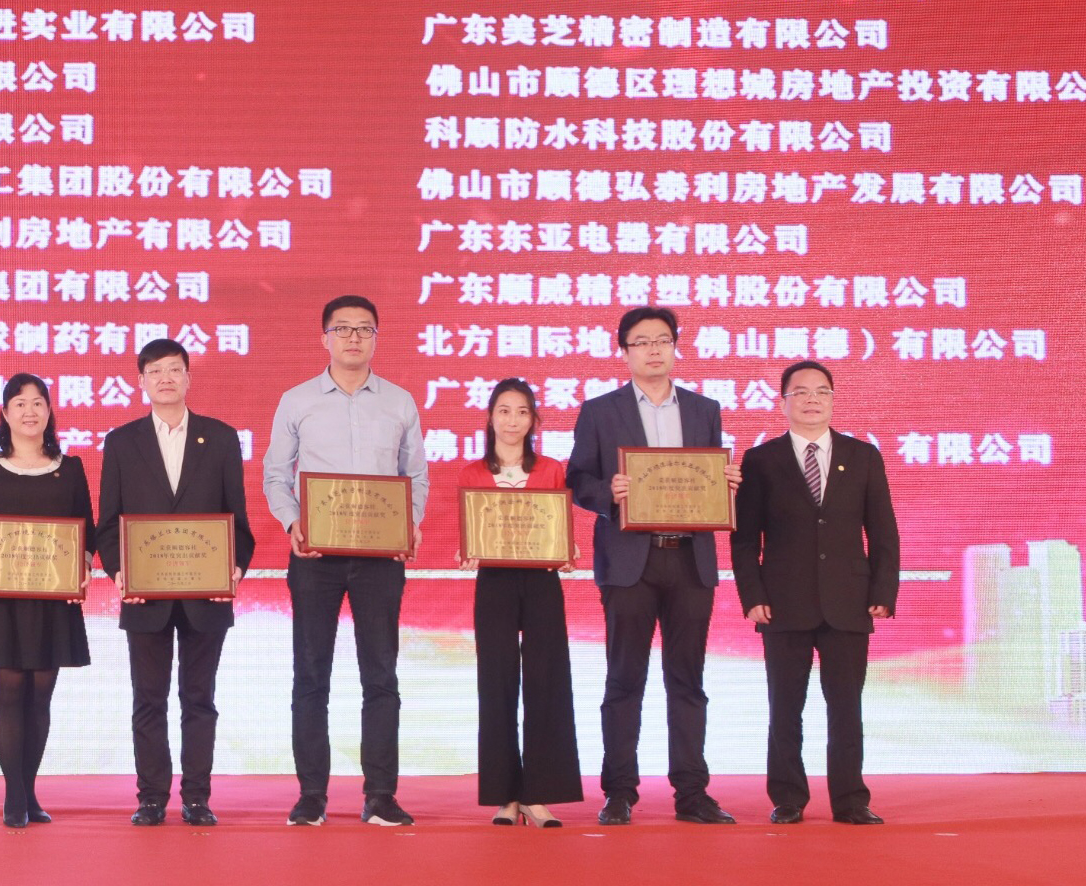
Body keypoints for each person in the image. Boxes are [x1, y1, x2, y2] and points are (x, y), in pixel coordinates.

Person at [565, 307, 741, 826]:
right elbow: (578, 480)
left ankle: (692, 793)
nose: (653, 349)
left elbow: (708, 479)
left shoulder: (704, 409)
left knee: (688, 681)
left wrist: (726, 484)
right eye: (641, 342)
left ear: (675, 347)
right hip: (629, 562)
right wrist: (609, 492)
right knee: (624, 680)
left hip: (690, 558)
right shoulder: (600, 411)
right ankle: (619, 792)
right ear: (624, 352)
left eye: (662, 339)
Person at [263, 295, 428, 828]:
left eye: (364, 329)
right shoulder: (297, 400)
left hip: (379, 559)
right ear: (325, 338)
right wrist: (293, 523)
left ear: (376, 337)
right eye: (343, 328)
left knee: (381, 676)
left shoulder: (399, 402)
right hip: (316, 557)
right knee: (311, 676)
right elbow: (275, 474)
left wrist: (408, 524)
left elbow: (415, 475)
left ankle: (380, 794)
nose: (354, 337)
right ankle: (312, 795)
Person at [732, 361, 900, 826]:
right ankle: (788, 797)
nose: (811, 399)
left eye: (821, 391)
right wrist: (752, 595)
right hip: (782, 602)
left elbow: (883, 531)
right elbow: (745, 539)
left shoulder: (863, 456)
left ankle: (850, 799)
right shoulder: (761, 460)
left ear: (832, 399)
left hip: (849, 599)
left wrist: (883, 590)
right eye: (801, 391)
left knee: (846, 708)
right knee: (785, 707)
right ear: (783, 401)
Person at [95, 338, 254, 827]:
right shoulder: (122, 442)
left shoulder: (221, 438)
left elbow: (237, 521)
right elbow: (108, 523)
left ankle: (197, 798)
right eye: (155, 371)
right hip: (145, 596)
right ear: (140, 381)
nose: (165, 378)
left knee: (199, 700)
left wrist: (234, 567)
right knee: (148, 700)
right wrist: (120, 572)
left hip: (206, 594)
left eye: (174, 369)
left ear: (188, 377)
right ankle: (150, 798)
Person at [0, 373, 94, 829]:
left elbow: (85, 528)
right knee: (9, 692)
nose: (29, 411)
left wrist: (82, 566)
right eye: (20, 403)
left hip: (52, 599)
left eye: (38, 402)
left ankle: (30, 791)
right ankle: (13, 796)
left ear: (49, 411)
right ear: (5, 413)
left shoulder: (70, 468)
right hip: (1, 600)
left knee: (40, 697)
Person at [458, 378, 581, 828]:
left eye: (522, 411)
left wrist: (566, 550)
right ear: (490, 417)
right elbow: (471, 529)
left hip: (542, 580)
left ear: (533, 420)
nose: (513, 420)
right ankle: (504, 795)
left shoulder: (551, 469)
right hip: (494, 581)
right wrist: (468, 549)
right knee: (497, 682)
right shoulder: (472, 473)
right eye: (504, 411)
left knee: (547, 680)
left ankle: (538, 794)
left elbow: (559, 527)